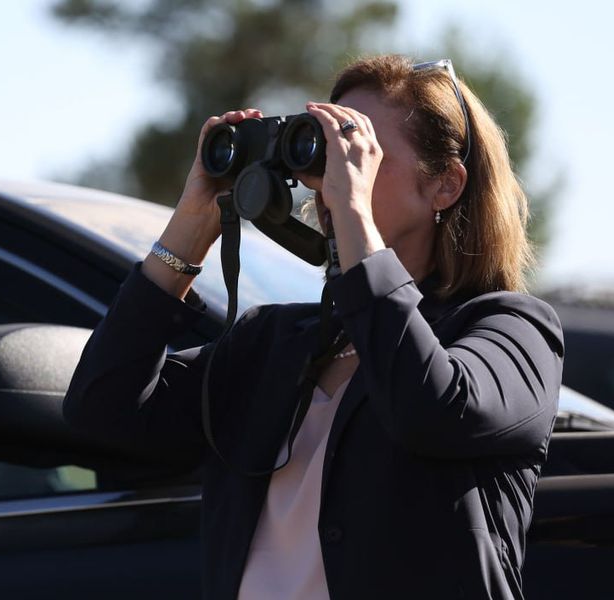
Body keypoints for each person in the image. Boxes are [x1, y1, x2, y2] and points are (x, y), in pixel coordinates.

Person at [63, 54, 564, 600]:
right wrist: (188, 229)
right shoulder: (271, 343)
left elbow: (428, 408)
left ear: (445, 185)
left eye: (361, 154)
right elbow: (103, 413)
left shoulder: (514, 331)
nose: (332, 179)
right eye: (329, 151)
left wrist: (353, 213)